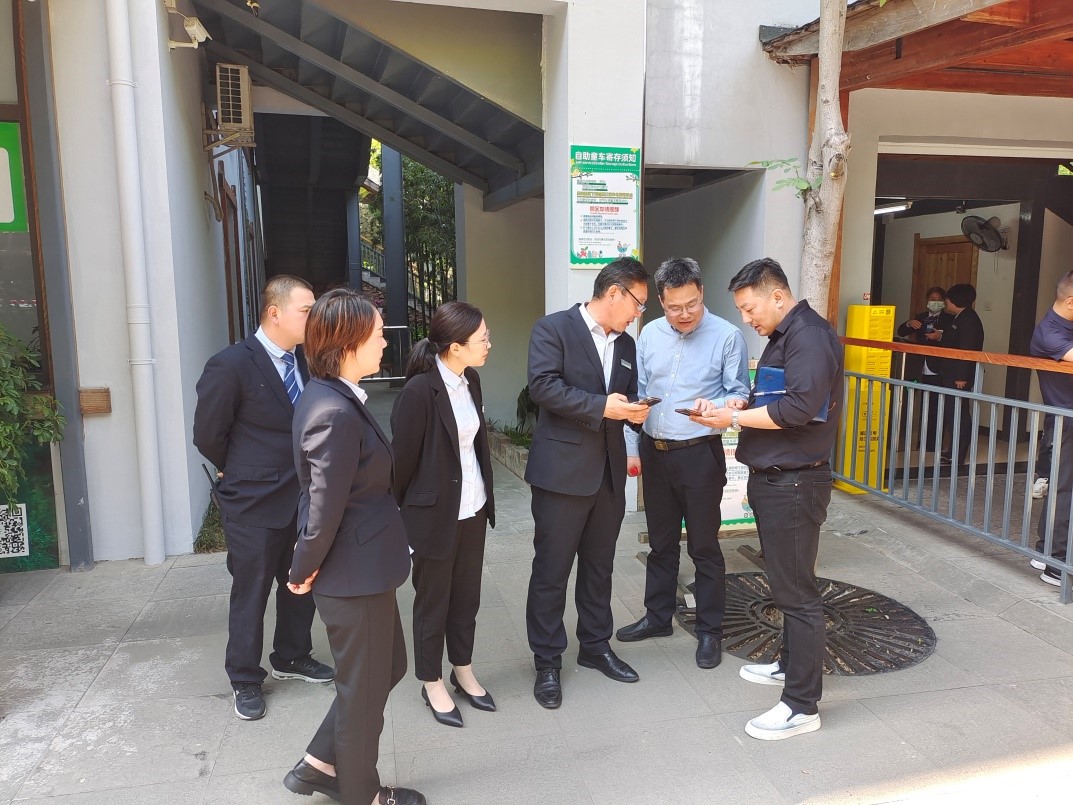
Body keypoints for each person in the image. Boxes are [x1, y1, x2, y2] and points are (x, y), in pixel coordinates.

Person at [282, 289, 425, 805]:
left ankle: (318, 765)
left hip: (365, 566)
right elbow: (323, 506)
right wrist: (302, 568)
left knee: (387, 669)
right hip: (351, 573)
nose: (385, 343)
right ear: (348, 344)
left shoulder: (334, 397)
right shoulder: (333, 412)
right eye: (378, 335)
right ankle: (362, 793)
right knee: (364, 688)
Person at [691, 258, 843, 741]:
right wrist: (741, 404)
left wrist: (732, 420)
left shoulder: (809, 337)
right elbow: (780, 397)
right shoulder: (784, 336)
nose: (746, 319)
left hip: (794, 483)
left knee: (797, 595)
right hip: (777, 479)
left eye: (749, 308)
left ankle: (801, 705)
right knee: (785, 584)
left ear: (777, 296)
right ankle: (787, 664)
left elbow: (800, 408)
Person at [193, 275, 333, 722]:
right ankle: (245, 677)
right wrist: (240, 471)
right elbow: (208, 435)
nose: (314, 318)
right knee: (250, 591)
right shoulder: (231, 364)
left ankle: (291, 655)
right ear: (275, 312)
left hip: (304, 498)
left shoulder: (308, 362)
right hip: (253, 502)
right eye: (306, 310)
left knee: (301, 581)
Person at [524, 257, 652, 709]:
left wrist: (634, 410)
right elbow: (542, 387)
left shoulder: (627, 344)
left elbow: (624, 395)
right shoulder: (553, 329)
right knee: (552, 570)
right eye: (638, 302)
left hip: (609, 474)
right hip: (561, 474)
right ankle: (547, 661)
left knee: (600, 568)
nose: (639, 313)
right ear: (614, 292)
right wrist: (603, 407)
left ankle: (596, 646)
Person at [617, 257, 750, 669]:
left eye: (691, 304)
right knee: (660, 543)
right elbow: (638, 393)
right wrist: (632, 447)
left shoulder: (727, 336)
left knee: (704, 546)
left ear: (701, 292)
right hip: (655, 451)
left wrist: (722, 405)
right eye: (674, 307)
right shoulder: (649, 334)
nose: (684, 314)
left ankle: (709, 630)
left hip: (699, 453)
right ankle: (658, 617)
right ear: (660, 301)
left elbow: (739, 393)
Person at [390, 302, 497, 728]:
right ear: (455, 346)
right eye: (483, 338)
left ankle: (463, 669)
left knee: (466, 597)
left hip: (473, 507)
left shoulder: (471, 379)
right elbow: (400, 465)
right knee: (433, 602)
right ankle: (431, 680)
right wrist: (406, 525)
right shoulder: (419, 392)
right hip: (433, 517)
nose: (489, 344)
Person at [1029, 270, 1073, 588]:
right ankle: (1056, 565)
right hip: (1065, 422)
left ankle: (1045, 551)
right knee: (1063, 490)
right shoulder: (1049, 333)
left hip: (1066, 420)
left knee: (1063, 488)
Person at [896, 286, 953, 453]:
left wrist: (940, 337)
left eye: (939, 299)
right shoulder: (920, 317)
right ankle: (920, 441)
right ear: (927, 301)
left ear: (944, 302)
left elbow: (953, 340)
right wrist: (908, 323)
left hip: (938, 368)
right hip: (919, 367)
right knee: (922, 406)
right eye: (932, 299)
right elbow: (901, 332)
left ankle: (933, 443)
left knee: (936, 407)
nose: (935, 302)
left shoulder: (949, 319)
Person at [933, 283, 984, 466]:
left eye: (947, 299)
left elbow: (966, 350)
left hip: (959, 376)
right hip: (951, 373)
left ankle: (957, 455)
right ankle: (952, 451)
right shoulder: (960, 317)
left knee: (958, 414)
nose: (946, 302)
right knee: (952, 413)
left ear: (955, 300)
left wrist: (961, 377)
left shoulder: (969, 319)